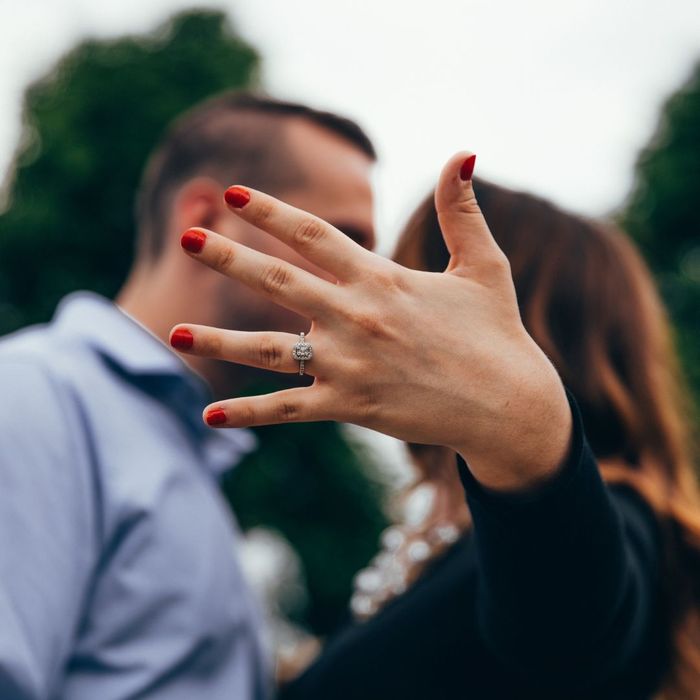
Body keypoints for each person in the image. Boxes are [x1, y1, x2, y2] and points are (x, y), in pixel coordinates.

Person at [173, 154, 700, 699]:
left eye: (407, 280)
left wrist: (526, 429)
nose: (372, 310)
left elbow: (569, 638)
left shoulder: (618, 518)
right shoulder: (445, 534)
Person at [0, 92, 377, 699]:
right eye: (341, 238)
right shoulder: (33, 396)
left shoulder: (180, 437)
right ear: (208, 217)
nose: (364, 276)